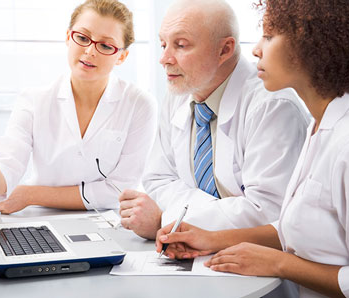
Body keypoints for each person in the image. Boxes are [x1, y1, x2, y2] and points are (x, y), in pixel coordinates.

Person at [156, 0, 349, 297]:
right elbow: (288, 228)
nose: (255, 50)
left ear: (312, 44)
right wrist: (211, 238)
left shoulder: (347, 144)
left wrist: (280, 264)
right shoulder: (321, 127)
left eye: (269, 37)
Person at [118, 0, 309, 239]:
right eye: (163, 44)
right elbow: (158, 180)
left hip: (257, 264)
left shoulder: (272, 106)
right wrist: (203, 214)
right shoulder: (179, 92)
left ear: (224, 50)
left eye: (180, 45)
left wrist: (167, 219)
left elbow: (268, 213)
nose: (164, 59)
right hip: (196, 252)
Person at [0, 0, 157, 214]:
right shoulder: (34, 101)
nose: (90, 51)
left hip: (109, 224)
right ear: (68, 37)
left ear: (122, 56)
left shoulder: (139, 104)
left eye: (106, 46)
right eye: (82, 38)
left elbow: (119, 190)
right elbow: (0, 187)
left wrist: (31, 194)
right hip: (42, 219)